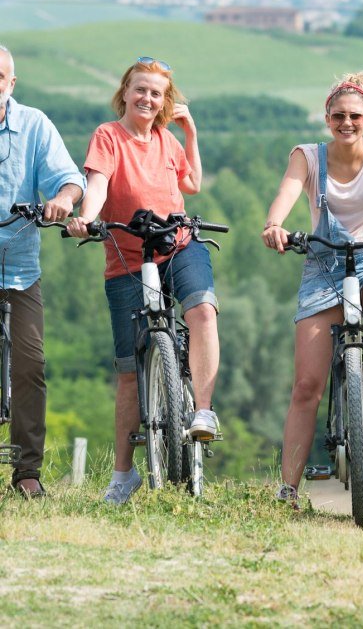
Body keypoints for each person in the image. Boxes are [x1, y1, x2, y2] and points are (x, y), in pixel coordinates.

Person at [261, 71, 363, 505]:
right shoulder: (308, 156)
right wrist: (275, 224)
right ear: (327, 117)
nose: (347, 123)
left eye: (355, 115)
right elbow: (288, 191)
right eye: (339, 116)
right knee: (306, 387)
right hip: (323, 267)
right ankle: (288, 490)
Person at [67, 57, 221, 505]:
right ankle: (123, 474)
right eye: (140, 90)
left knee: (202, 311)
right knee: (130, 375)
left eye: (156, 93)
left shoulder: (167, 140)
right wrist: (86, 218)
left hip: (177, 246)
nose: (147, 98)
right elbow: (96, 185)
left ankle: (204, 411)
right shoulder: (107, 136)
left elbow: (191, 183)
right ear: (125, 91)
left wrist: (190, 133)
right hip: (127, 255)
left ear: (165, 101)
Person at [0, 45, 86, 498]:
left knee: (30, 367)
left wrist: (64, 200)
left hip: (18, 267)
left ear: (11, 83)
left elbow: (70, 178)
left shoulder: (34, 124)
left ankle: (26, 472)